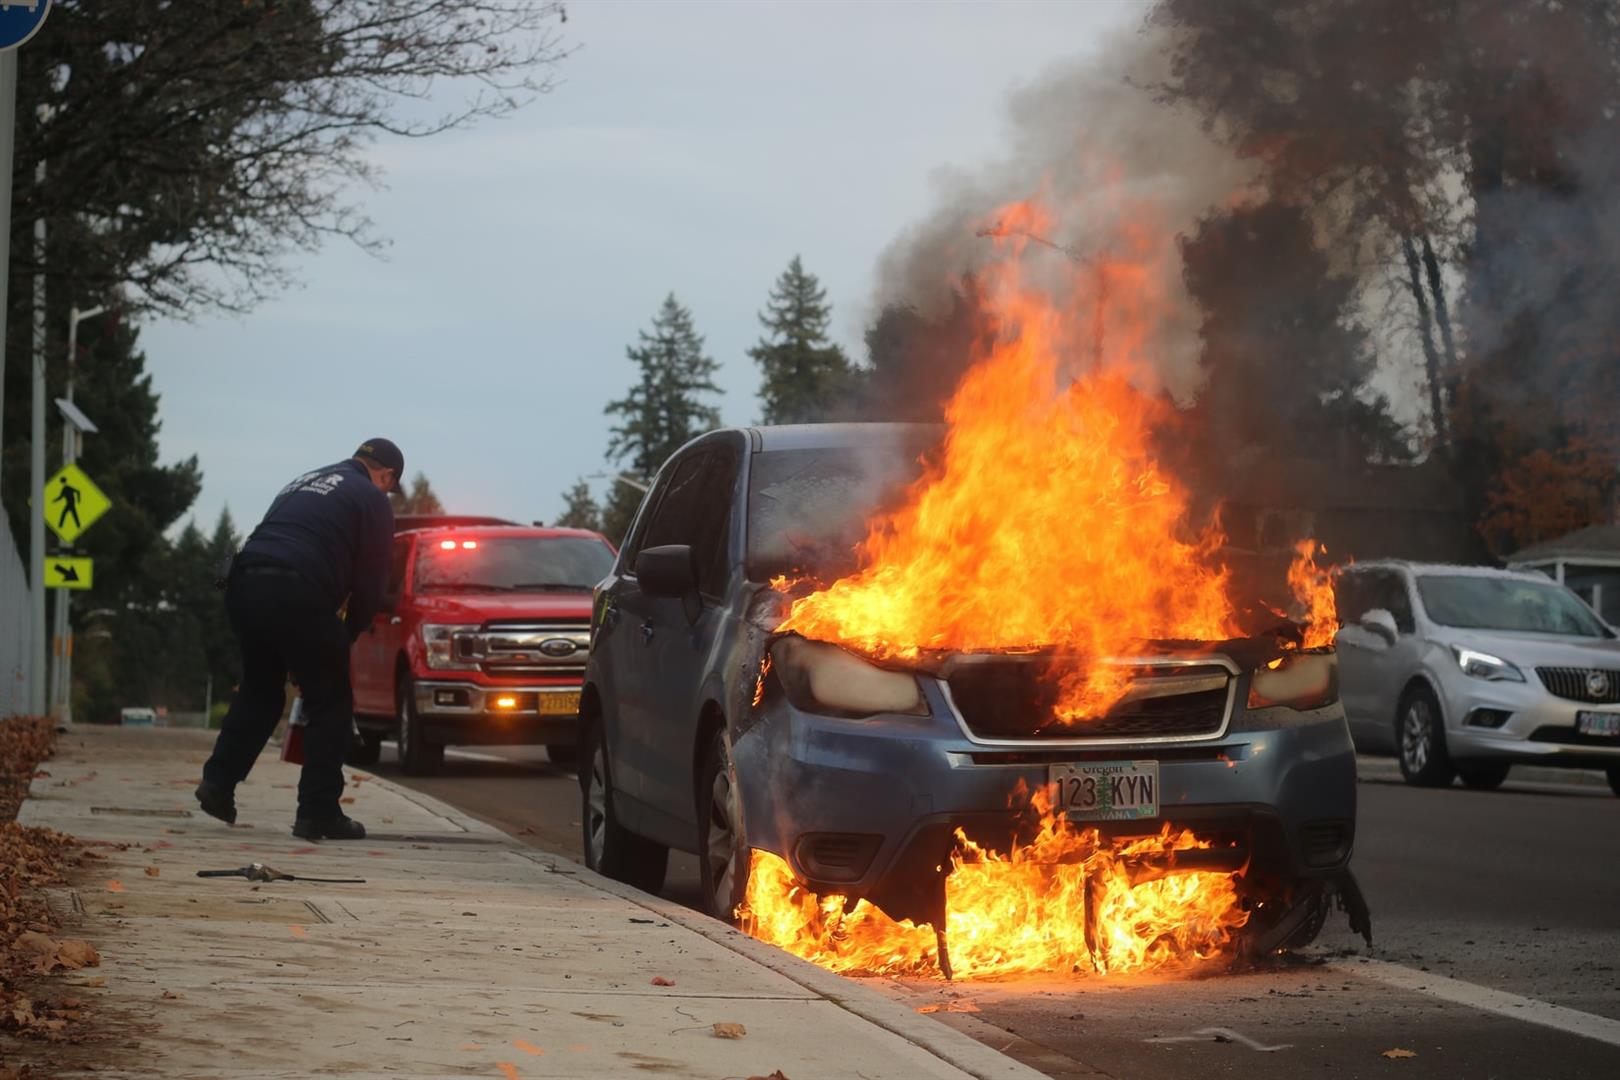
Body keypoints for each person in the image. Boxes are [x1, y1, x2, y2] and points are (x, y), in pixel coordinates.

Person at [196, 439, 402, 840]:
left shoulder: (304, 480)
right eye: (390, 487)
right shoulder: (372, 499)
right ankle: (318, 811)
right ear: (387, 475)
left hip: (245, 585)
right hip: (298, 589)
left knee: (260, 690)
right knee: (330, 699)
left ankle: (217, 784)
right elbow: (371, 582)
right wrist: (345, 635)